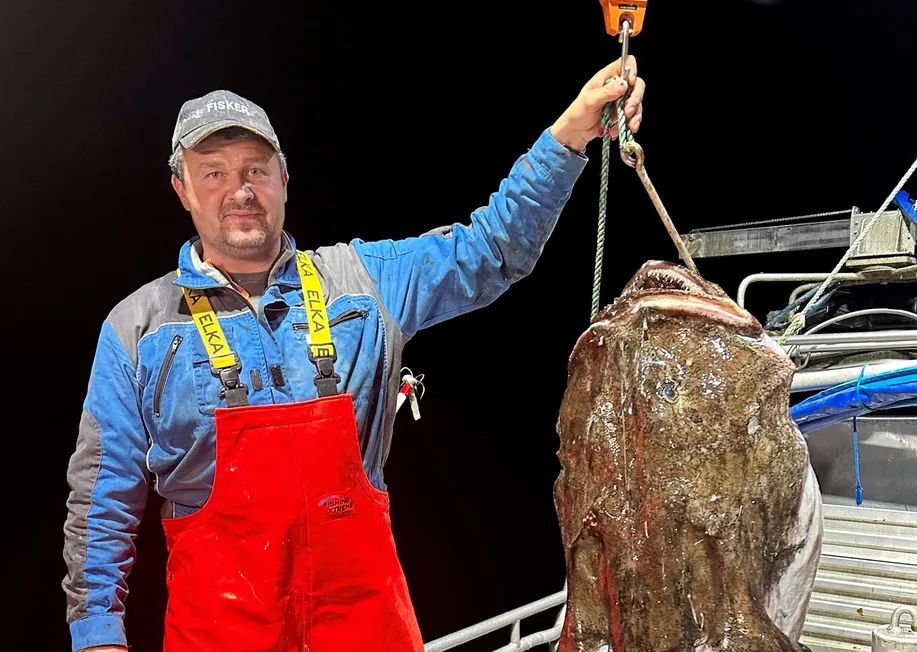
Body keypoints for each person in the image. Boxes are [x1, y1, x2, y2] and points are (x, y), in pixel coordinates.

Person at [62, 56, 645, 652]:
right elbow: (100, 504)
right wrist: (99, 635)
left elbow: (492, 251)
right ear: (182, 190)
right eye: (212, 173)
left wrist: (571, 135)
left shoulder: (361, 282)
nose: (239, 190)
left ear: (283, 180)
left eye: (255, 170)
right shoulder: (139, 327)